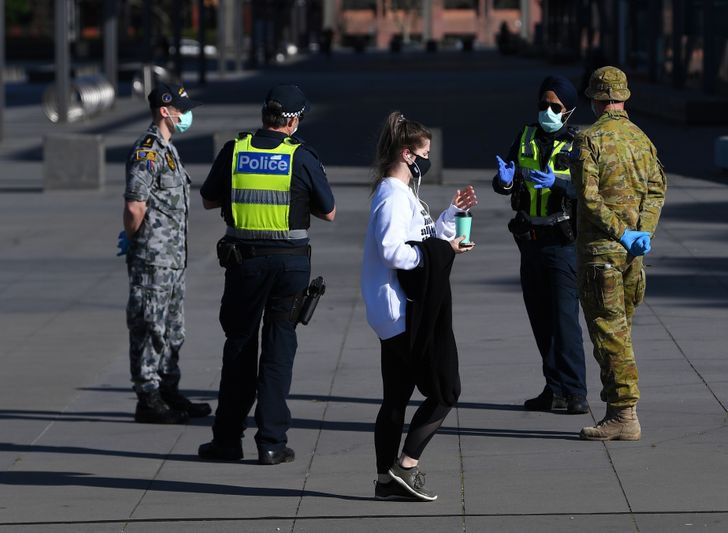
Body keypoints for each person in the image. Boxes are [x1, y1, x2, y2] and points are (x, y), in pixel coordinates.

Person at [197, 85, 336, 465]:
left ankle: (226, 440)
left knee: (240, 346)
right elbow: (329, 212)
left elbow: (209, 199)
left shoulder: (235, 150)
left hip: (245, 263)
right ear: (292, 121)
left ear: (264, 115)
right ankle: (272, 442)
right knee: (278, 350)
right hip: (290, 265)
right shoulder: (302, 156)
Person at [362, 111, 477, 502]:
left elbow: (420, 239)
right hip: (404, 311)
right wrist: (445, 249)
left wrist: (451, 216)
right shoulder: (393, 195)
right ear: (409, 153)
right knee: (446, 390)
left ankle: (384, 482)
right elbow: (395, 251)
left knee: (395, 396)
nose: (428, 159)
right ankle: (405, 466)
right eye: (425, 152)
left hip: (396, 311)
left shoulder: (401, 192)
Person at [570, 66, 667, 441]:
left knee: (610, 334)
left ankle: (623, 414)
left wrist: (622, 233)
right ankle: (621, 410)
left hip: (601, 255)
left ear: (595, 100)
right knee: (621, 331)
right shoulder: (642, 139)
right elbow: (657, 189)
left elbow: (590, 199)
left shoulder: (589, 139)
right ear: (624, 98)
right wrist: (642, 232)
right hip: (633, 257)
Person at [492, 75, 589, 415]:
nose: (547, 111)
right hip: (530, 241)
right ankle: (554, 388)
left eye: (555, 106)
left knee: (564, 321)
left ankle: (575, 391)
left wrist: (559, 184)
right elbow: (506, 178)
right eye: (543, 104)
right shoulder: (526, 135)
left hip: (562, 244)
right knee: (540, 319)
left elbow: (589, 191)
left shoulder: (580, 142)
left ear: (569, 110)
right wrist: (504, 181)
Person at [119, 82, 211, 424]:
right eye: (182, 110)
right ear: (164, 110)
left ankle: (169, 389)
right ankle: (148, 396)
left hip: (172, 259)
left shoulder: (168, 149)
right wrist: (132, 238)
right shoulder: (149, 151)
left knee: (173, 328)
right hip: (152, 258)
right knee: (149, 325)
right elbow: (134, 205)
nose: (186, 116)